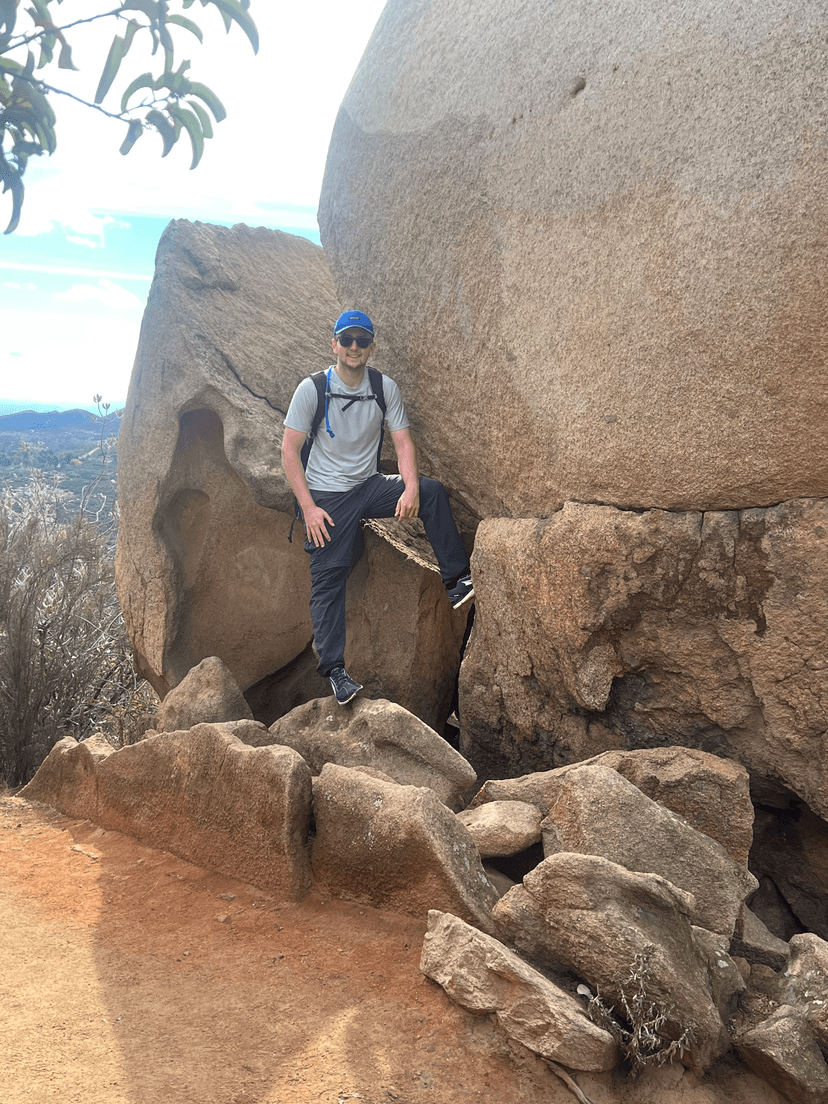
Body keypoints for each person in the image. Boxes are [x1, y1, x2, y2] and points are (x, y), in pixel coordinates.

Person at [281, 309, 474, 705]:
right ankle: (335, 670)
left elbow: (402, 442)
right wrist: (309, 508)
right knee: (329, 579)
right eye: (347, 340)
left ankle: (457, 582)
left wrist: (410, 488)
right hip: (327, 498)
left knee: (433, 493)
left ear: (372, 346)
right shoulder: (312, 389)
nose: (354, 348)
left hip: (369, 487)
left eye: (362, 341)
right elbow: (289, 451)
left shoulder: (384, 388)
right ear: (334, 344)